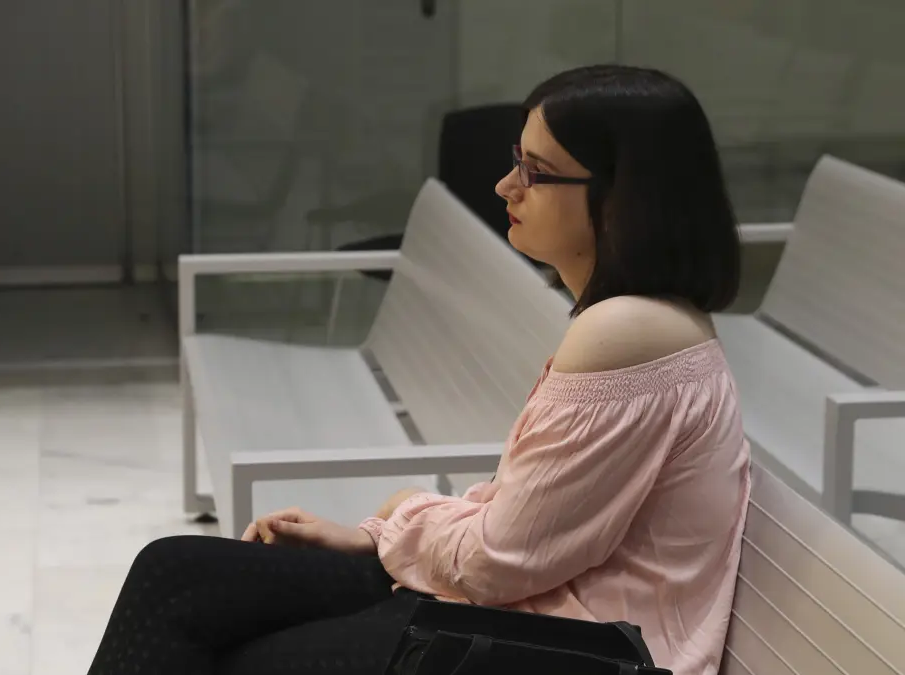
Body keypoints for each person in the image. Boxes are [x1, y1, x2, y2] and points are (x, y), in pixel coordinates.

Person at [87, 64, 750, 675]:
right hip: (514, 619)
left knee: (231, 650)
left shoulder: (627, 332)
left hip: (566, 648)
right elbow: (520, 526)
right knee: (174, 571)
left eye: (536, 172)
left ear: (620, 197)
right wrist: (376, 536)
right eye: (516, 161)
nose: (506, 186)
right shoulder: (638, 323)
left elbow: (500, 561)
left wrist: (402, 512)